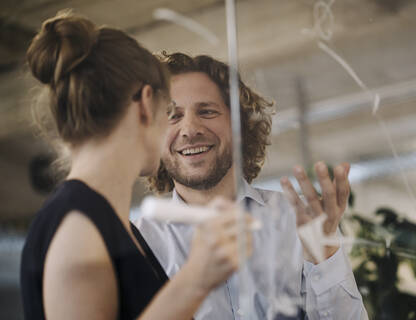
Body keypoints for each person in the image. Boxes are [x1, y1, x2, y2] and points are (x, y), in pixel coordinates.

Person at [20, 12, 252, 320]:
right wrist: (195, 280)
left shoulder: (107, 224)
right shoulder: (79, 229)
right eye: (168, 111)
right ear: (145, 103)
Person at [135, 52, 368, 319]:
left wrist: (325, 254)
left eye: (207, 111)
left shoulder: (297, 219)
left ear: (239, 126)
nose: (190, 129)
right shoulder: (140, 243)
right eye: (172, 116)